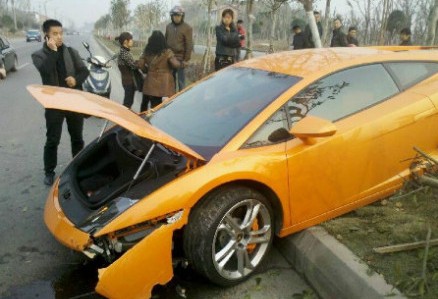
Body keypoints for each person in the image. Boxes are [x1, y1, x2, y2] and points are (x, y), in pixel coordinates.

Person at [32, 19, 89, 186]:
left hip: (73, 101)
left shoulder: (71, 52)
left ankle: (78, 167)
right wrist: (53, 51)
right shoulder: (39, 55)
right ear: (46, 36)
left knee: (77, 138)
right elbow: (45, 70)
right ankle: (49, 171)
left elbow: (84, 71)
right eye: (55, 34)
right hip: (54, 104)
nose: (59, 37)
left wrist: (75, 79)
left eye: (61, 33)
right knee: (52, 139)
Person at [138, 31, 182, 111]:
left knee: (144, 103)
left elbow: (140, 64)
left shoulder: (147, 51)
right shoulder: (167, 52)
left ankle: (140, 120)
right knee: (157, 107)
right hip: (163, 84)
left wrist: (146, 70)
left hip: (149, 82)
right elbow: (175, 64)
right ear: (163, 40)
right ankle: (153, 121)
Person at [165, 5, 193, 91]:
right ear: (172, 16)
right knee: (170, 81)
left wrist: (186, 59)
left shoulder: (187, 28)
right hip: (170, 57)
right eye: (174, 16)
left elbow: (189, 44)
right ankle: (172, 99)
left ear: (182, 16)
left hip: (181, 58)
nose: (176, 18)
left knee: (181, 82)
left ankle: (182, 99)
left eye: (178, 16)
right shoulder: (168, 27)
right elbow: (165, 41)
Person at [117, 32, 140, 109]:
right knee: (128, 102)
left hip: (127, 80)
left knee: (129, 101)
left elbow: (132, 63)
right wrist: (141, 63)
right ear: (125, 42)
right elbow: (133, 66)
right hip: (128, 81)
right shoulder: (124, 53)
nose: (132, 41)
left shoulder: (124, 51)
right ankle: (122, 118)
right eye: (131, 40)